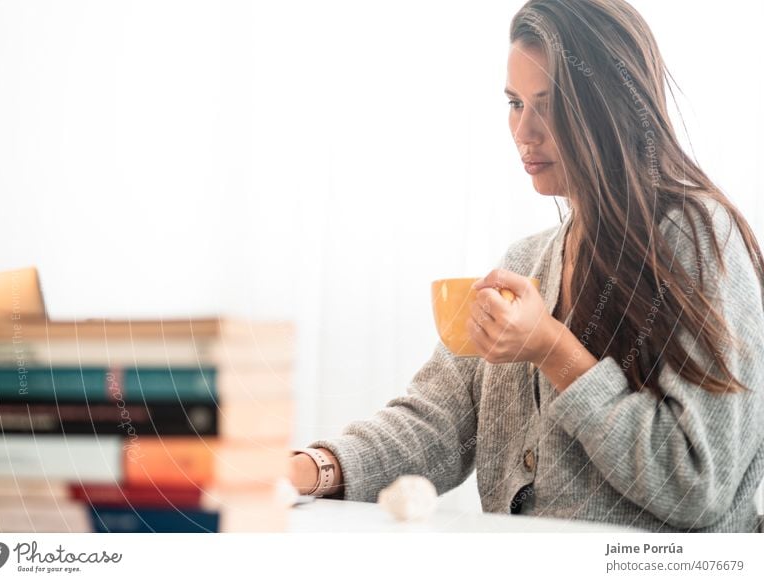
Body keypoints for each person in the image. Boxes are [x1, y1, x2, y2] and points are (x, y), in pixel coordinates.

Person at [288, 0, 764, 532]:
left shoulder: (701, 240)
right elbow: (437, 426)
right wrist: (305, 471)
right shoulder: (525, 262)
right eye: (515, 103)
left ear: (613, 107)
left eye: (550, 103)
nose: (525, 131)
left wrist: (553, 350)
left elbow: (699, 485)